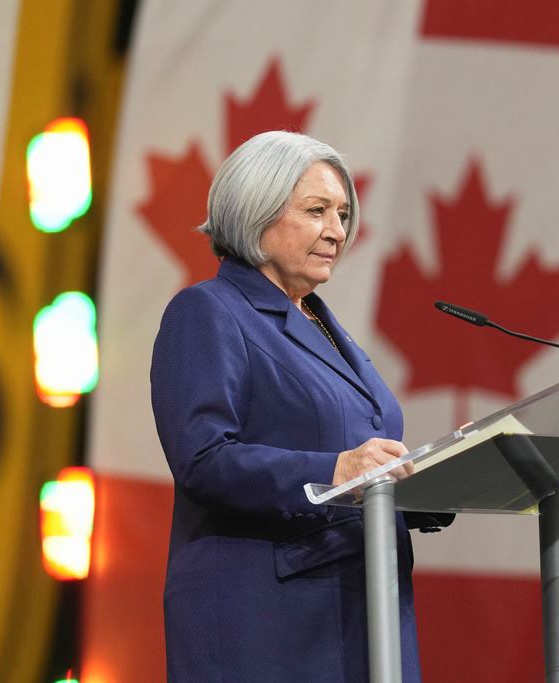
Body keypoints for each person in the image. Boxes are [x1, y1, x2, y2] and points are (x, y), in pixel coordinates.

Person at [150, 130, 448, 681]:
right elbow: (203, 460)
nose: (337, 231)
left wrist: (443, 472)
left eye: (341, 214)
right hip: (267, 623)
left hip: (363, 611)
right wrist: (336, 470)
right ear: (255, 212)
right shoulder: (208, 311)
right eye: (317, 211)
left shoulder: (325, 327)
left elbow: (363, 458)